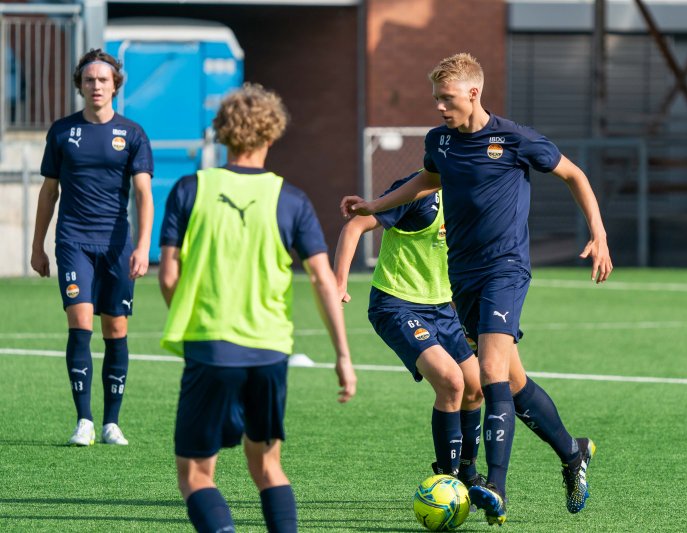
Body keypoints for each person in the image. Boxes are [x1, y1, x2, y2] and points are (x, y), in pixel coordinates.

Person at [342, 53, 613, 524]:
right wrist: (374, 204)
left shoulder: (515, 139)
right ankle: (573, 452)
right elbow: (427, 180)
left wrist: (599, 231)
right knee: (512, 380)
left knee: (488, 373)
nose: (439, 108)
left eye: (446, 99)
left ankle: (495, 488)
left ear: (473, 93)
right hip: (461, 278)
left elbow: (574, 174)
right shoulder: (439, 142)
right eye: (436, 100)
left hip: (504, 270)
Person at [159, 83, 357, 533]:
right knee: (268, 467)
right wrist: (343, 355)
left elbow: (167, 276)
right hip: (270, 351)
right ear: (273, 134)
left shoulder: (190, 190)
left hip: (210, 348)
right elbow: (324, 280)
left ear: (222, 133)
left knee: (195, 475)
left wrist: (192, 319)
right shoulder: (292, 200)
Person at [30, 48, 154, 447]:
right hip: (73, 242)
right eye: (89, 80)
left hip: (117, 245)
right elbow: (49, 192)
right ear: (80, 85)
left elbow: (143, 194)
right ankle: (84, 420)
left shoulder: (132, 134)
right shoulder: (63, 131)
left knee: (115, 329)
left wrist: (143, 247)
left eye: (103, 79)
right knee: (80, 324)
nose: (96, 85)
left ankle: (111, 423)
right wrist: (38, 245)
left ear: (115, 85)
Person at [334, 170, 485, 487]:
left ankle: (470, 476)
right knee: (450, 381)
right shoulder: (418, 192)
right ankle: (447, 479)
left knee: (475, 386)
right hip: (396, 304)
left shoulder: (469, 197)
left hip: (443, 308)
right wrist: (338, 284)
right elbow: (355, 226)